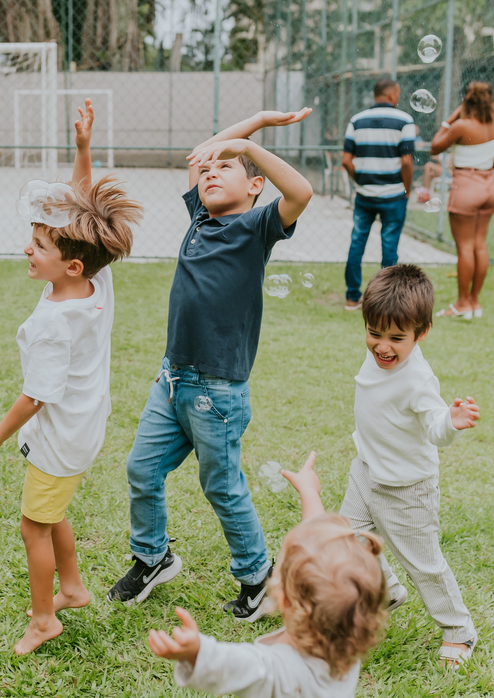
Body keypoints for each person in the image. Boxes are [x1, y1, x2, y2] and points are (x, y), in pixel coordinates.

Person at [108, 106, 314, 620]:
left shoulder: (258, 227)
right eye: (206, 173)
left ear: (255, 186)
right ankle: (153, 557)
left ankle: (257, 576)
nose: (210, 174)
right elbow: (207, 151)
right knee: (141, 468)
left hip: (216, 392)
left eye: (226, 170)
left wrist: (248, 145)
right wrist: (258, 120)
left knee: (220, 485)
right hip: (173, 378)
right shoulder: (200, 218)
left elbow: (302, 193)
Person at [0, 99, 142, 655]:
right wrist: (83, 151)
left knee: (32, 526)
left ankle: (45, 619)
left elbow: (36, 395)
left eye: (38, 245)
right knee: (51, 509)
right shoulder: (94, 285)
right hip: (84, 430)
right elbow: (80, 220)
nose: (27, 248)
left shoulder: (50, 324)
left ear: (71, 265)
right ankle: (76, 588)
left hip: (60, 439)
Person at [147, 452, 388, 697]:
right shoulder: (344, 647)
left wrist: (197, 652)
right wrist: (308, 491)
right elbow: (315, 538)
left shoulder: (278, 670)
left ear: (282, 599)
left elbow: (236, 665)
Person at [343, 265, 480, 668]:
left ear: (422, 334)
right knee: (350, 536)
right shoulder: (381, 353)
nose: (382, 347)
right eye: (374, 333)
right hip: (366, 469)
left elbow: (434, 424)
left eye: (396, 339)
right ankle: (385, 590)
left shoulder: (418, 378)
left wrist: (450, 423)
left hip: (406, 487)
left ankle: (458, 628)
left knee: (424, 563)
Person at [430, 82, 494, 320]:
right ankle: (474, 302)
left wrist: (450, 119)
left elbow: (434, 147)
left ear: (466, 101)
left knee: (465, 247)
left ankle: (462, 303)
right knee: (479, 245)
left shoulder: (461, 125)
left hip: (467, 186)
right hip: (490, 187)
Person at [341, 79, 416, 311]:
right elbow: (406, 162)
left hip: (364, 195)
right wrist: (407, 189)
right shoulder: (405, 120)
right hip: (394, 195)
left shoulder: (356, 120)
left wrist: (362, 180)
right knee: (390, 246)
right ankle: (387, 300)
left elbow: (345, 160)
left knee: (357, 243)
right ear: (392, 94)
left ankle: (353, 297)